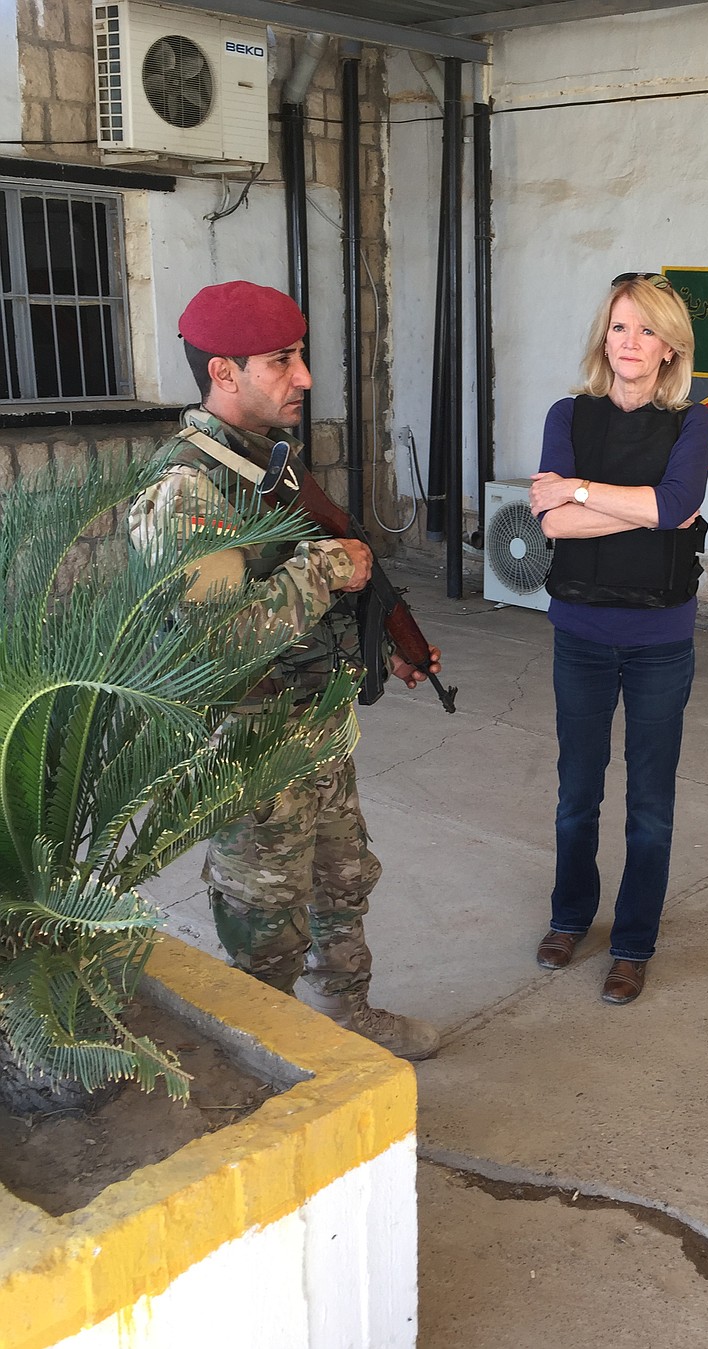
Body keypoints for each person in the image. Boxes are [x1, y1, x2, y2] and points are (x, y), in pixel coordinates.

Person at [127, 280, 441, 1061]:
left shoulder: (265, 460)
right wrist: (331, 567)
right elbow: (215, 638)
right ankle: (266, 1054)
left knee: (344, 876)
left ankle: (347, 1013)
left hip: (317, 722)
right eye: (281, 360)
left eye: (300, 356)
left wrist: (379, 636)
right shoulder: (186, 489)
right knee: (266, 911)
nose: (303, 376)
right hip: (247, 742)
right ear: (223, 373)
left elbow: (295, 590)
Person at [529, 272, 708, 1005]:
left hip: (661, 639)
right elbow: (551, 523)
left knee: (650, 802)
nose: (628, 341)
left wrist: (578, 490)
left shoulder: (693, 423)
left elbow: (677, 505)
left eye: (644, 329)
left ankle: (633, 942)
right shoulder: (567, 415)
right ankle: (569, 917)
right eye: (617, 327)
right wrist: (645, 510)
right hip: (580, 631)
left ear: (669, 346)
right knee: (577, 791)